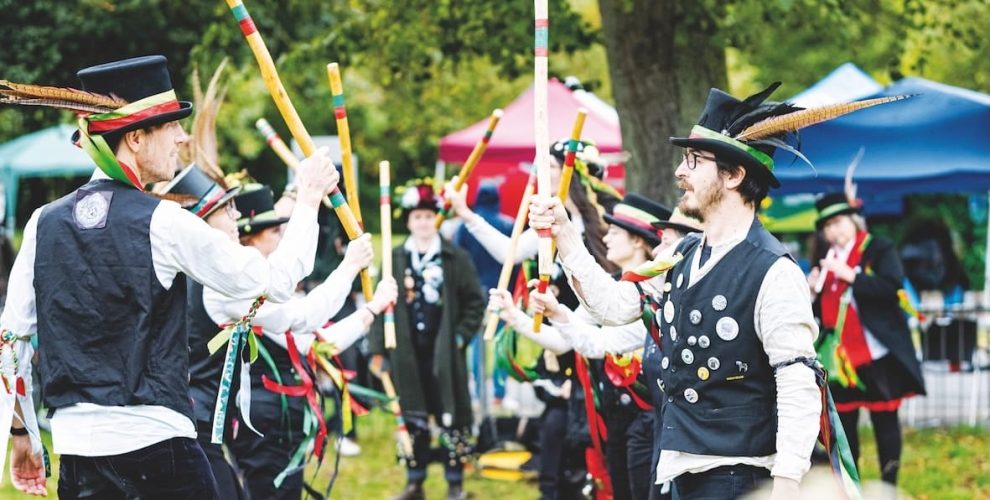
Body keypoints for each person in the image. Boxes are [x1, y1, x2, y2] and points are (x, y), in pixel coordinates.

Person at [0, 55, 338, 498]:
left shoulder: (42, 221)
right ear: (136, 138)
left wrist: (22, 433)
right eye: (170, 126)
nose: (182, 137)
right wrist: (310, 199)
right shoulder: (163, 220)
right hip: (158, 453)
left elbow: (11, 341)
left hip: (76, 455)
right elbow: (272, 282)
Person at [527, 82, 873, 498]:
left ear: (734, 174)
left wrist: (785, 482)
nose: (680, 172)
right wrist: (565, 234)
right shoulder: (681, 254)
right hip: (675, 465)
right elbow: (614, 307)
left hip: (738, 477)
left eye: (694, 160)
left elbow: (798, 382)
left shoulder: (775, 272)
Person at [204, 184, 396, 499]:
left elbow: (313, 337)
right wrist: (350, 271)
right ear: (252, 236)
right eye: (276, 232)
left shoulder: (255, 287)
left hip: (275, 420)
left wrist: (372, 308)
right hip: (261, 421)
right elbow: (310, 325)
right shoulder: (237, 289)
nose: (282, 238)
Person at [490, 193, 681, 500]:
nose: (606, 237)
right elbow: (583, 339)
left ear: (637, 241)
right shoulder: (615, 290)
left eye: (616, 232)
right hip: (618, 416)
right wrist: (519, 317)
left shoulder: (662, 293)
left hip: (650, 419)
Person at [368, 179, 485, 500]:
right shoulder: (395, 258)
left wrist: (460, 337)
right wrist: (378, 350)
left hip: (445, 351)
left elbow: (475, 301)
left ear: (437, 219)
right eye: (416, 217)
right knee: (411, 413)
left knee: (453, 414)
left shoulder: (455, 257)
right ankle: (414, 479)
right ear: (408, 221)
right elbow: (379, 305)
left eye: (428, 216)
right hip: (406, 351)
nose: (422, 222)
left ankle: (455, 482)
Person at [808, 192, 925, 487]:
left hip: (877, 354)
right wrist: (811, 294)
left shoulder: (878, 248)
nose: (835, 230)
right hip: (840, 361)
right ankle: (850, 487)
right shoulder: (824, 260)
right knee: (843, 429)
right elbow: (821, 316)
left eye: (839, 221)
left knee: (885, 423)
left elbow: (892, 288)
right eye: (828, 225)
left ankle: (889, 485)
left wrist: (851, 275)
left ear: (853, 220)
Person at [452, 181, 514, 408]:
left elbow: (459, 259)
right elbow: (515, 262)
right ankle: (499, 393)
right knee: (500, 344)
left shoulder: (464, 226)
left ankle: (479, 394)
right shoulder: (508, 225)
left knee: (477, 345)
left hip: (474, 293)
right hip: (501, 291)